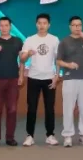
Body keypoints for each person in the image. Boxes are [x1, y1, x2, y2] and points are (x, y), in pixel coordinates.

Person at [56, 16, 83, 147]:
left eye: (79, 25)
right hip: (70, 79)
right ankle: (68, 135)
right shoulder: (64, 42)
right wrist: (68, 65)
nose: (77, 27)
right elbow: (58, 61)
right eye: (74, 25)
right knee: (68, 108)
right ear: (70, 27)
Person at [21, 13, 60, 147]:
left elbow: (58, 59)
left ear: (49, 25)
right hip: (33, 78)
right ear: (36, 24)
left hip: (49, 78)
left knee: (50, 108)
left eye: (44, 23)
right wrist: (28, 54)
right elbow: (22, 59)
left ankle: (50, 135)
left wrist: (57, 75)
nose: (42, 25)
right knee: (32, 107)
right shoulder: (30, 40)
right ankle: (29, 136)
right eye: (39, 23)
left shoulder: (54, 39)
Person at [0, 16, 24, 146]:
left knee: (12, 109)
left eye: (6, 25)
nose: (4, 28)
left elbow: (22, 60)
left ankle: (10, 138)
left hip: (13, 79)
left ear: (10, 26)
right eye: (1, 25)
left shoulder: (17, 41)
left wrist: (21, 76)